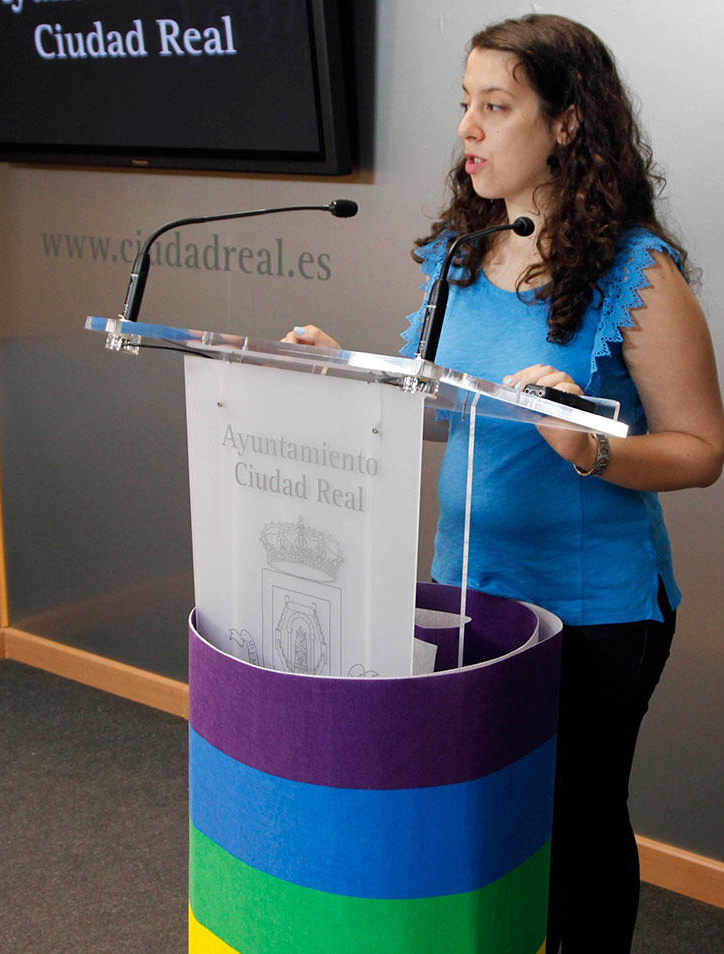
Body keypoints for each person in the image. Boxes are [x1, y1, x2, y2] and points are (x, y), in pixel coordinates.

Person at [282, 14, 724, 953]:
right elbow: (436, 406)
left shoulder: (636, 273)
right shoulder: (461, 254)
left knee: (575, 828)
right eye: (464, 106)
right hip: (471, 594)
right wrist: (350, 375)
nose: (467, 129)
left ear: (567, 123)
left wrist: (588, 446)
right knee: (489, 821)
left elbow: (700, 449)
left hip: (595, 613)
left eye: (496, 106)